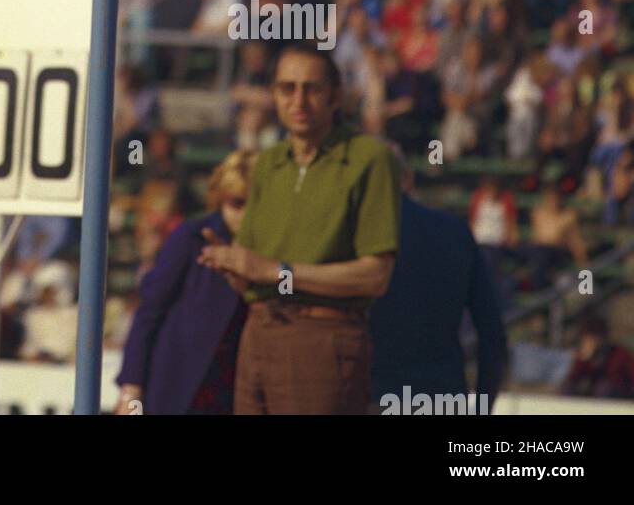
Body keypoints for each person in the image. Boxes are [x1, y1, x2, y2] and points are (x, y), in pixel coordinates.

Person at [198, 44, 402, 416]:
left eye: (312, 88)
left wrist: (278, 272)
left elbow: (376, 276)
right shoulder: (268, 163)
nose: (299, 100)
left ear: (336, 96)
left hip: (321, 339)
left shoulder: (370, 159)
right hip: (257, 333)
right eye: (286, 88)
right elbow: (254, 275)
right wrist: (232, 265)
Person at [115, 151, 254, 415]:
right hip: (179, 386)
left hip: (233, 389)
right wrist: (131, 388)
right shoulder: (191, 238)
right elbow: (150, 311)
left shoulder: (267, 249)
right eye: (237, 203)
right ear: (221, 199)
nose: (245, 214)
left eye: (253, 203)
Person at [369, 148, 507, 411]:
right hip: (442, 397)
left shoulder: (350, 236)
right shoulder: (454, 231)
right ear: (407, 179)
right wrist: (482, 405)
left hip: (371, 397)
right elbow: (492, 334)